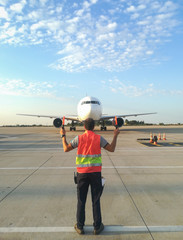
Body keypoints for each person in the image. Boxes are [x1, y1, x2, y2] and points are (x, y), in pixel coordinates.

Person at [60, 118, 120, 235]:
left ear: (84, 127)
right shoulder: (98, 138)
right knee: (96, 200)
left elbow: (66, 149)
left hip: (82, 174)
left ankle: (80, 226)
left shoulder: (79, 138)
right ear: (94, 126)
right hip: (95, 174)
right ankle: (97, 226)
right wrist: (115, 135)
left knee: (81, 201)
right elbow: (111, 149)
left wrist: (63, 136)